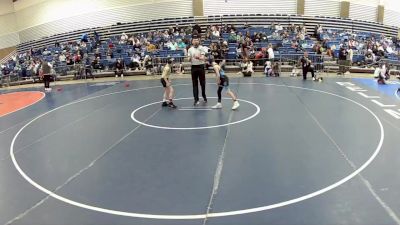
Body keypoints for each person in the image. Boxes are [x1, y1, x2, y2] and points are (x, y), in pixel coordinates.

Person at [188, 31, 207, 106]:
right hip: (194, 67)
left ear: (199, 41)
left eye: (197, 40)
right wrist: (190, 57)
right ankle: (196, 99)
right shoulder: (190, 49)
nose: (195, 41)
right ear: (192, 41)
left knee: (203, 83)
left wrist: (198, 57)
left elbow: (203, 58)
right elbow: (189, 59)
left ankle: (203, 95)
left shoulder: (202, 48)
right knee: (194, 84)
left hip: (200, 66)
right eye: (194, 40)